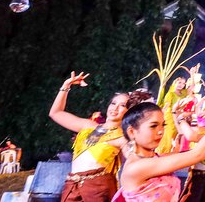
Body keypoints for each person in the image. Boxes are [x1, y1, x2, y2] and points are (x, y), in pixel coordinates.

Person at [49, 71, 149, 201]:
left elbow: (133, 159)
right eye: (113, 103)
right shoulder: (88, 126)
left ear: (129, 111)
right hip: (72, 187)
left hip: (98, 190)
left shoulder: (122, 137)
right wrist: (66, 85)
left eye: (123, 105)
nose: (115, 108)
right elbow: (55, 113)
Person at [113, 99, 205, 202]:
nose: (161, 131)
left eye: (163, 125)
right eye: (153, 126)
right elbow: (198, 154)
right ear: (132, 132)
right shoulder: (135, 167)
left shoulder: (156, 158)